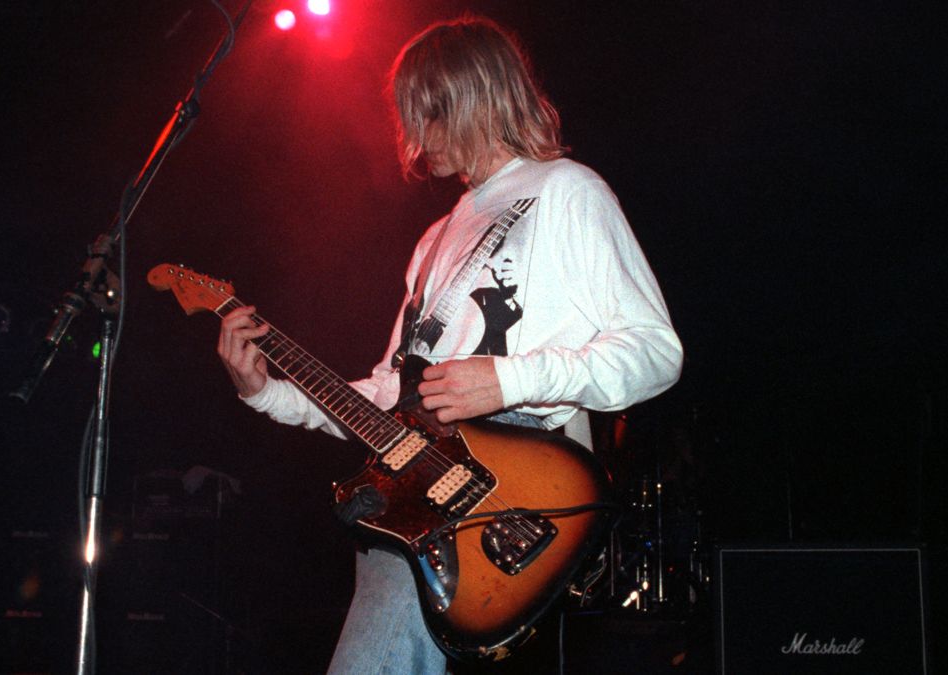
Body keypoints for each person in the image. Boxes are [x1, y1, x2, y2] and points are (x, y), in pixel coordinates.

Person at [217, 15, 683, 674]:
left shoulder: (566, 192)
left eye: (426, 118)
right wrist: (269, 392)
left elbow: (656, 351)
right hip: (416, 488)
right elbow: (387, 394)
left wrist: (508, 380)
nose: (413, 142)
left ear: (472, 97)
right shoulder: (434, 239)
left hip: (514, 475)